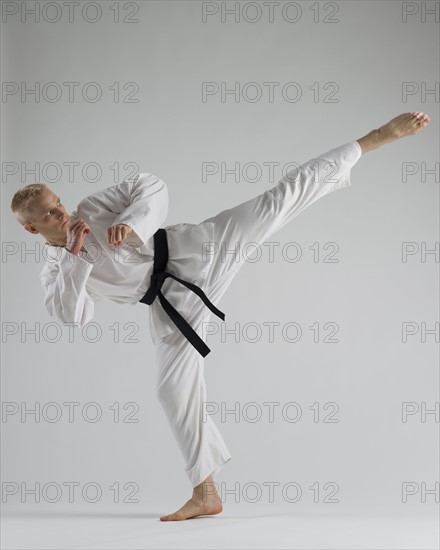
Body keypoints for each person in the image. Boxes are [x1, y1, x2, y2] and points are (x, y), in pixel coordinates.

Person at [10, 112, 430, 521]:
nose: (61, 213)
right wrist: (76, 258)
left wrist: (130, 223)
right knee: (171, 390)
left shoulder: (92, 208)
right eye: (48, 214)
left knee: (276, 201)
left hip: (197, 248)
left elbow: (150, 184)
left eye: (57, 203)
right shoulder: (55, 270)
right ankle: (205, 493)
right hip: (168, 304)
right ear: (31, 230)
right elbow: (73, 317)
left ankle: (374, 138)